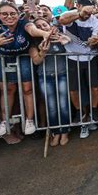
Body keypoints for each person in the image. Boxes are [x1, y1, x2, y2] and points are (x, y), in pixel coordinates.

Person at [0, 2, 51, 138]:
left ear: (17, 14)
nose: (9, 16)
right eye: (5, 14)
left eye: (13, 13)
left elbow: (32, 30)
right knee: (8, 90)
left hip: (23, 56)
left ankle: (29, 120)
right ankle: (5, 121)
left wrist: (45, 34)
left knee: (27, 88)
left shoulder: (23, 22)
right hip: (1, 57)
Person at [59, 0, 98, 139]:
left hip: (90, 57)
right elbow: (62, 20)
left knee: (95, 87)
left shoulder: (95, 21)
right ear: (78, 6)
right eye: (86, 12)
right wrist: (79, 14)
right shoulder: (70, 15)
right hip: (73, 58)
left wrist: (93, 40)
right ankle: (78, 111)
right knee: (74, 89)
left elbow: (95, 37)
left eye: (90, 12)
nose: (88, 15)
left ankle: (94, 110)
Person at [29, 18, 71, 146]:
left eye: (44, 24)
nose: (43, 27)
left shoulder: (60, 37)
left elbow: (73, 48)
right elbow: (36, 61)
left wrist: (67, 41)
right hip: (45, 77)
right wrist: (43, 51)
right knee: (52, 107)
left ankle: (65, 132)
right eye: (39, 26)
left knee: (63, 106)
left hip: (62, 75)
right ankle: (56, 132)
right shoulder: (34, 43)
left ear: (50, 25)